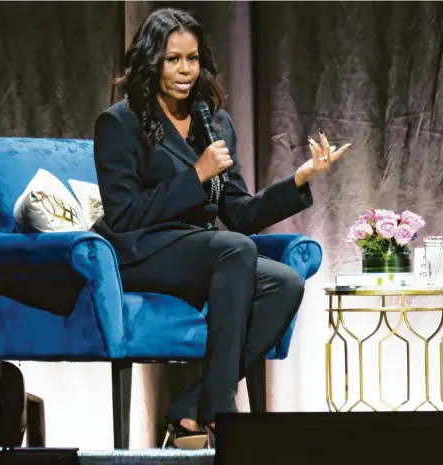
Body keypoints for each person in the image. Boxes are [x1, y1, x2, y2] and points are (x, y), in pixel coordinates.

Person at [93, 8, 351, 449]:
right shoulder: (120, 123)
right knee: (234, 250)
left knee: (285, 283)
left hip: (202, 249)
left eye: (192, 59)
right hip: (139, 250)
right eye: (173, 59)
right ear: (152, 60)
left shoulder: (213, 123)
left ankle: (192, 410)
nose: (184, 70)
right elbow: (124, 213)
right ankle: (223, 412)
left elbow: (242, 214)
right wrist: (195, 175)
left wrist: (300, 179)